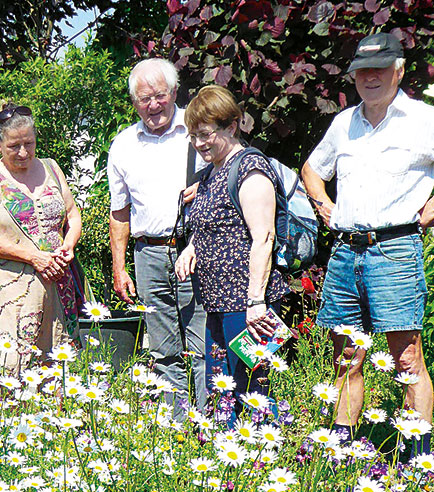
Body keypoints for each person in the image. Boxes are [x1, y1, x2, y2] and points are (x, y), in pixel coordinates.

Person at [301, 32, 434, 455]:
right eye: (361, 71)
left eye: (379, 68)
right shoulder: (344, 123)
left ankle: (417, 458)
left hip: (394, 251)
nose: (369, 77)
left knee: (406, 361)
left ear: (399, 70)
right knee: (347, 359)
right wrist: (324, 207)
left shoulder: (426, 121)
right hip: (344, 252)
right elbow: (312, 169)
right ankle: (339, 454)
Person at [175, 85, 290, 419]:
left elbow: (264, 237)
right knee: (221, 389)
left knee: (252, 390)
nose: (199, 143)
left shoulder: (250, 168)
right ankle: (227, 461)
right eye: (193, 136)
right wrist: (192, 248)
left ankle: (261, 460)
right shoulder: (212, 172)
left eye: (206, 134)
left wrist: (256, 302)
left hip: (248, 304)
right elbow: (216, 222)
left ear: (232, 126)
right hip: (217, 302)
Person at [108, 58, 207, 412]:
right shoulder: (123, 145)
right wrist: (120, 268)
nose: (153, 105)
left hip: (196, 250)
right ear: (134, 103)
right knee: (163, 349)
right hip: (148, 254)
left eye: (159, 96)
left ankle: (209, 422)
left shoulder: (199, 133)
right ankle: (177, 426)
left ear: (175, 93)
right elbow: (119, 212)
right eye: (144, 99)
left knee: (201, 345)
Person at [0, 104, 82, 374]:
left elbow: (72, 214)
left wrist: (69, 244)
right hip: (12, 287)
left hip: (57, 284)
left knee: (58, 364)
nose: (23, 153)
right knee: (11, 365)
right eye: (14, 146)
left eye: (29, 144)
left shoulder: (51, 168)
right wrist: (34, 257)